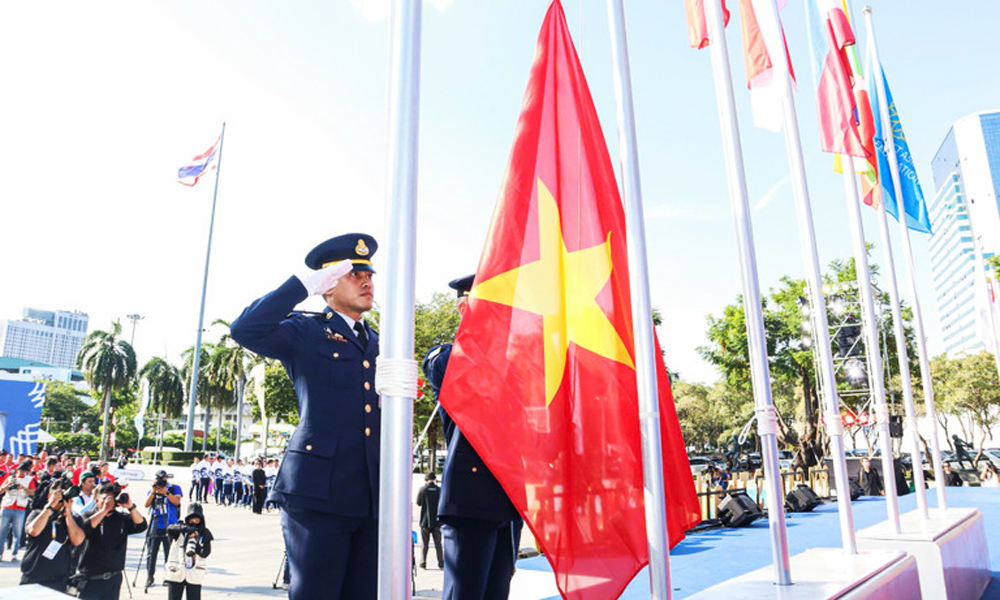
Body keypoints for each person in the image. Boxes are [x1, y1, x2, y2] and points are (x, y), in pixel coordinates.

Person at [230, 233, 382, 600]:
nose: (367, 281)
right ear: (328, 286)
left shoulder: (380, 342)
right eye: (353, 274)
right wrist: (304, 285)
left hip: (371, 494)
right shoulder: (307, 331)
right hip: (318, 492)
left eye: (369, 275)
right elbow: (245, 329)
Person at [423, 275, 522, 600]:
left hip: (507, 501)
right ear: (465, 307)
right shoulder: (446, 356)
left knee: (497, 593)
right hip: (470, 499)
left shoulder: (513, 362)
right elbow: (458, 373)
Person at [76, 483, 147, 599]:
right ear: (96, 499)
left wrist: (130, 507)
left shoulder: (120, 518)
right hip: (91, 579)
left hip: (114, 578)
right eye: (105, 499)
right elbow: (85, 528)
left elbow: (141, 525)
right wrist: (104, 510)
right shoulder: (88, 515)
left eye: (112, 499)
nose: (109, 502)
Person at [19, 479, 85, 591]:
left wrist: (68, 515)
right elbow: (34, 530)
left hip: (59, 579)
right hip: (33, 576)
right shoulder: (37, 513)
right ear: (50, 495)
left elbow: (78, 540)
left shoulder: (74, 519)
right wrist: (49, 507)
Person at [164, 503, 213, 600]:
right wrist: (186, 529)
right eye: (191, 519)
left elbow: (206, 552)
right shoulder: (180, 528)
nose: (194, 522)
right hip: (176, 571)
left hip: (195, 573)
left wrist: (196, 545)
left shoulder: (204, 532)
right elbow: (170, 529)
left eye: (197, 519)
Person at [144, 470, 183, 588]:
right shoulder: (153, 490)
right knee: (151, 553)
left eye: (163, 480)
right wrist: (153, 492)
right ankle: (150, 576)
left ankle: (168, 576)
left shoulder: (174, 488)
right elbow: (146, 504)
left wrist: (166, 492)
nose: (162, 482)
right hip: (156, 524)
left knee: (170, 553)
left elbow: (176, 501)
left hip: (170, 525)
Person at [0, 460, 37, 561]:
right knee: (2, 531)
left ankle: (14, 554)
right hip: (7, 506)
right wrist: (7, 486)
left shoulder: (29, 480)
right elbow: (1, 490)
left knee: (17, 532)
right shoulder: (11, 478)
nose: (21, 472)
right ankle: (0, 553)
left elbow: (33, 493)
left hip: (20, 507)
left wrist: (23, 488)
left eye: (24, 470)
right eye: (20, 470)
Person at [416, 472, 444, 570]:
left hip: (425, 521)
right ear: (435, 478)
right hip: (437, 521)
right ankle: (441, 563)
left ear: (426, 479)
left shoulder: (423, 489)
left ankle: (423, 562)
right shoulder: (439, 490)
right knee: (438, 543)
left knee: (425, 543)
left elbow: (418, 503)